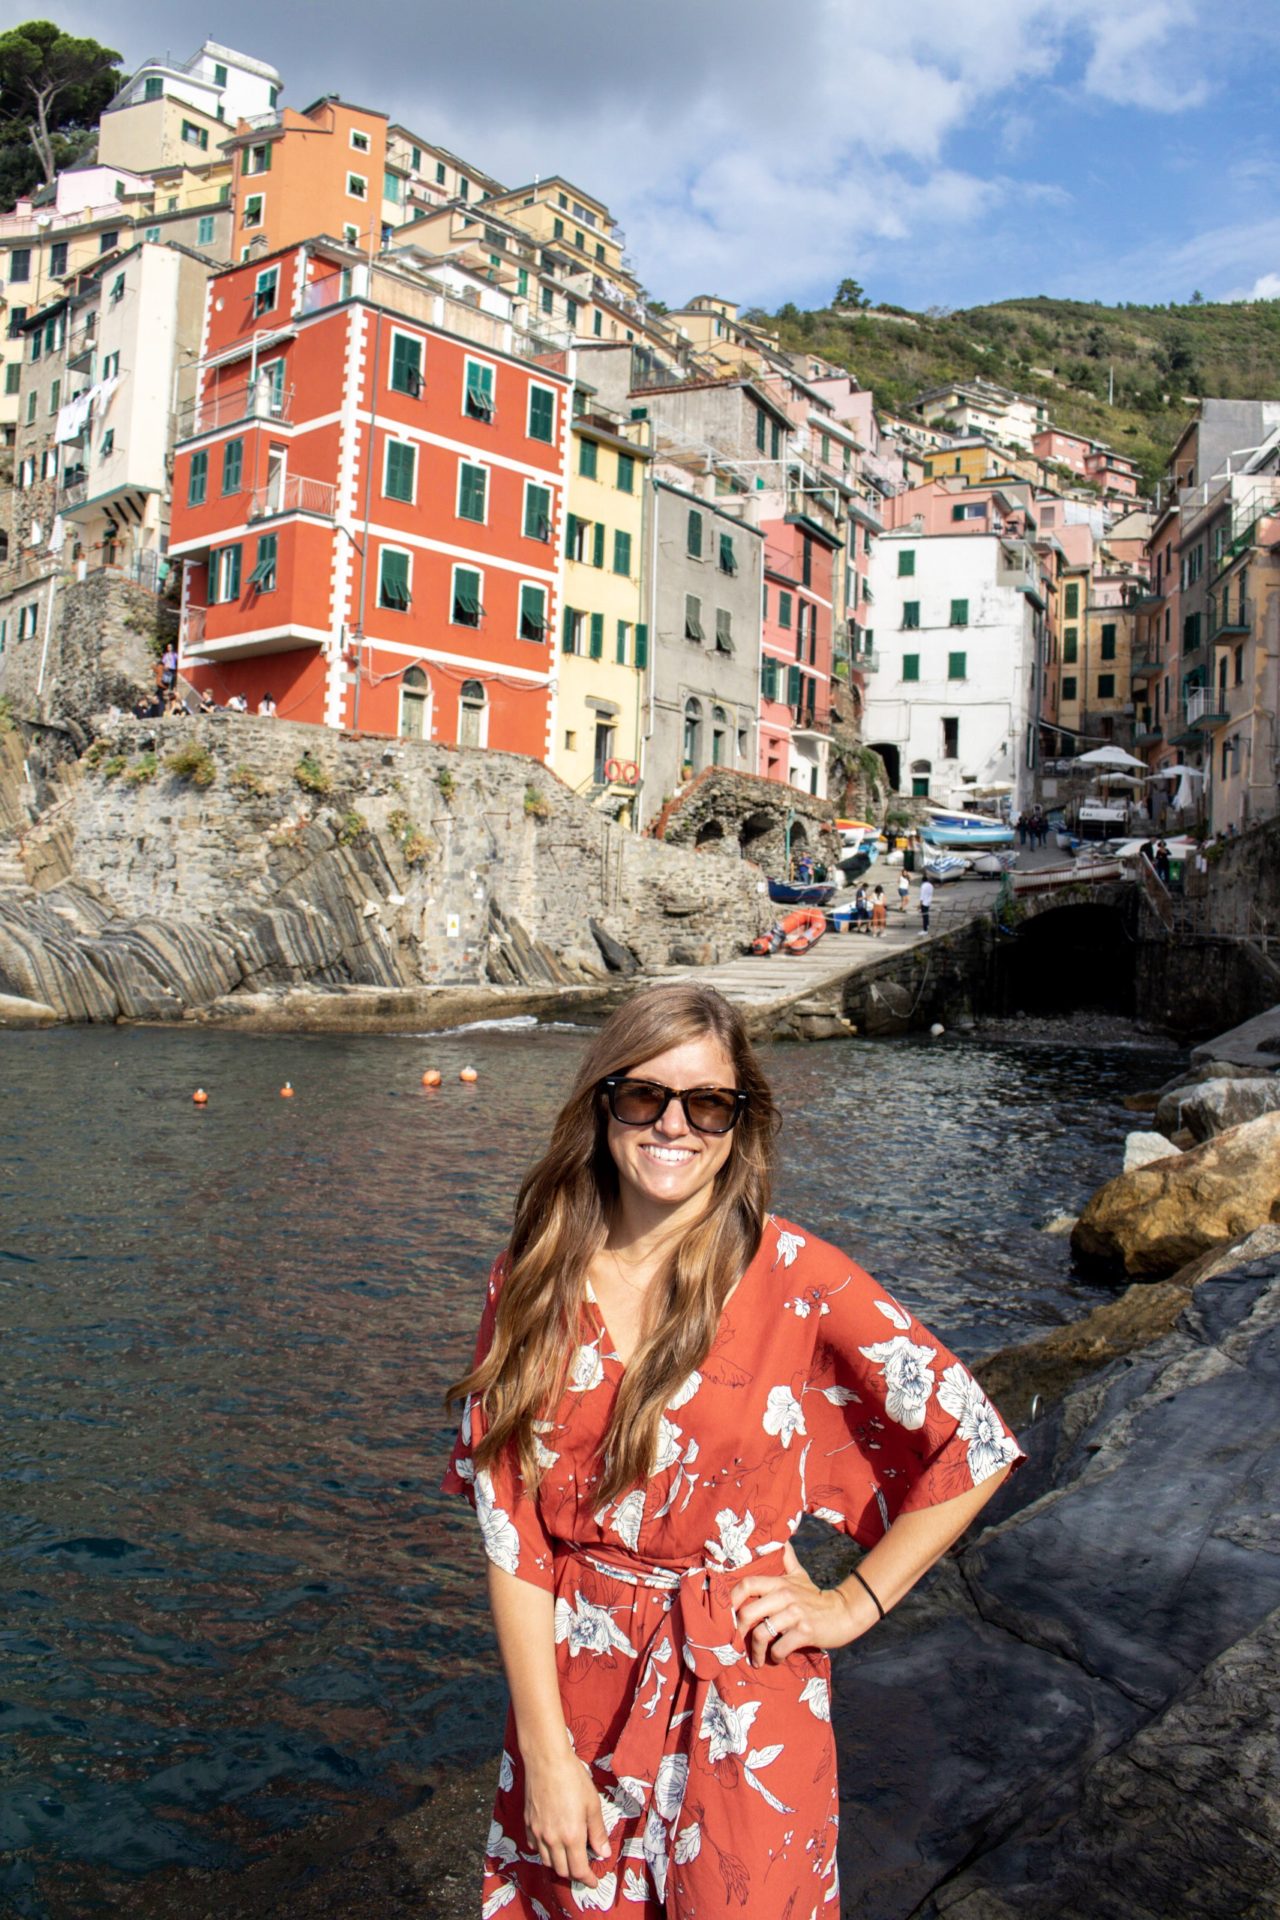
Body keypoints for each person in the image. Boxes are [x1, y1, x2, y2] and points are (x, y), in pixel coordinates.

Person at [443, 984, 1021, 1917]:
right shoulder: (533, 1279)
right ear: (603, 1103)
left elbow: (972, 1439)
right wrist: (547, 1757)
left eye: (707, 1103)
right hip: (577, 1691)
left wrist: (853, 1601)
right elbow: (513, 1536)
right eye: (644, 1097)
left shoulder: (797, 1278)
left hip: (747, 1698)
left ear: (738, 1120)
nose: (674, 1125)